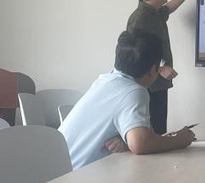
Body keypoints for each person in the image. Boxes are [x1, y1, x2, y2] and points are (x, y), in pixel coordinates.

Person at [59, 30, 195, 170]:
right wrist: (180, 140)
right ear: (153, 70)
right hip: (75, 177)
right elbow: (141, 144)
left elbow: (142, 136)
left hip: (59, 173)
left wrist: (125, 141)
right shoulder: (133, 91)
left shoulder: (105, 80)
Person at [127, 0, 194, 135]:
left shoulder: (154, 12)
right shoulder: (141, 18)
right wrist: (161, 69)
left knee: (160, 130)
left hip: (158, 84)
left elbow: (168, 8)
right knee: (153, 133)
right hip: (148, 87)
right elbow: (134, 56)